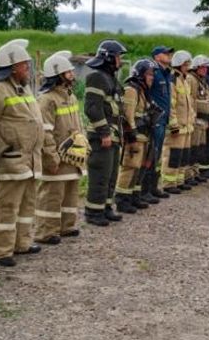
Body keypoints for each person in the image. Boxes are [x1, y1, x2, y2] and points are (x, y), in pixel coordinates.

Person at [0, 38, 44, 266]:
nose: (28, 67)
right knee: (5, 207)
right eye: (24, 64)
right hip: (10, 160)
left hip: (29, 161)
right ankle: (0, 250)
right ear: (11, 66)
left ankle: (21, 243)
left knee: (27, 204)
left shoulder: (23, 88)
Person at [34, 51, 85, 243]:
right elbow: (45, 132)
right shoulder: (47, 99)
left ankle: (66, 226)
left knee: (70, 193)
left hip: (72, 156)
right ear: (57, 75)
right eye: (68, 72)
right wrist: (51, 157)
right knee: (51, 196)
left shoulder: (70, 96)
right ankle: (46, 232)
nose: (72, 75)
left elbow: (77, 124)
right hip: (57, 156)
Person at [83, 39, 128, 226]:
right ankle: (93, 212)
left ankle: (106, 207)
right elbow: (92, 108)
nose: (120, 60)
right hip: (102, 136)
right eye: (118, 57)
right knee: (100, 175)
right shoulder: (97, 77)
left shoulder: (110, 78)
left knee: (111, 175)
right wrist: (104, 132)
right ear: (109, 58)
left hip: (113, 134)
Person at [115, 58, 157, 213]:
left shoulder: (143, 91)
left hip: (144, 136)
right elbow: (128, 115)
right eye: (149, 74)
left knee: (139, 169)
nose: (151, 77)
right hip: (136, 137)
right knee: (129, 168)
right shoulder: (132, 90)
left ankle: (134, 196)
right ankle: (121, 199)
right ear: (140, 74)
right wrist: (131, 135)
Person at [147, 45, 175, 198]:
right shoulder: (154, 72)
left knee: (156, 154)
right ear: (157, 56)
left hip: (164, 119)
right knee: (152, 153)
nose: (169, 55)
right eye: (165, 53)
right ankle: (146, 189)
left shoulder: (166, 73)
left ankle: (153, 187)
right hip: (155, 119)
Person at [168, 50, 196, 191]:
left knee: (182, 156)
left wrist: (191, 120)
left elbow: (189, 104)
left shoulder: (185, 80)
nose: (188, 67)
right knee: (173, 155)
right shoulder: (173, 80)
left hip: (186, 127)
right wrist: (173, 124)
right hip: (177, 127)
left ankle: (179, 180)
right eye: (185, 64)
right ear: (178, 65)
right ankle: (169, 183)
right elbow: (171, 105)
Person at [185, 54, 209, 184]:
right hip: (196, 120)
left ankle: (195, 172)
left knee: (199, 149)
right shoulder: (192, 79)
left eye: (206, 67)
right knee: (193, 148)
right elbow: (190, 100)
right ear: (196, 67)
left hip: (203, 121)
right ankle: (188, 174)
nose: (205, 70)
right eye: (202, 67)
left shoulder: (202, 80)